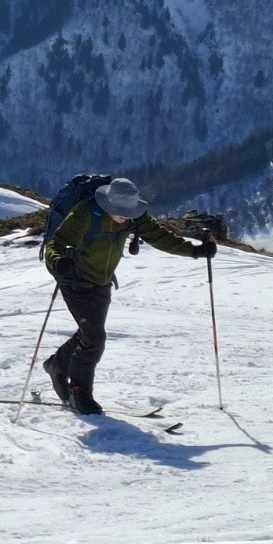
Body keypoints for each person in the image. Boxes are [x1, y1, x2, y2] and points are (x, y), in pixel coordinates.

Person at [41, 177, 216, 415]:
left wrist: (195, 251)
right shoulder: (85, 213)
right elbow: (56, 244)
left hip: (102, 283)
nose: (124, 216)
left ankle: (57, 365)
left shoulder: (134, 215)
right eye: (119, 212)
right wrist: (59, 261)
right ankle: (79, 392)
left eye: (127, 212)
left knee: (88, 333)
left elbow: (160, 237)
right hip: (75, 280)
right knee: (94, 339)